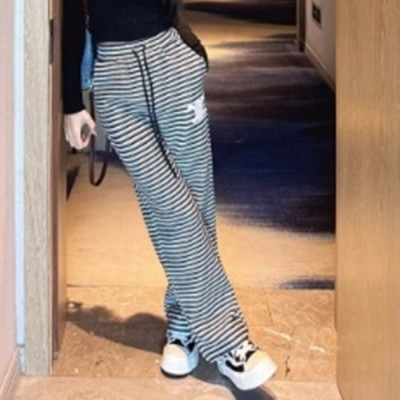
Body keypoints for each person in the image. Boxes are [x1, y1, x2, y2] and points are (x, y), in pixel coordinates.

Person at [62, 0, 277, 391]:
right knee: (170, 205)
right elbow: (72, 12)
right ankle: (232, 344)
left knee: (197, 202)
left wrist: (190, 54)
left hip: (171, 61)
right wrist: (71, 103)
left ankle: (184, 327)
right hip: (114, 79)